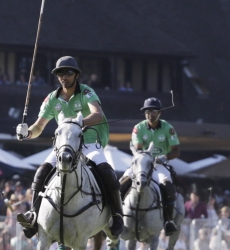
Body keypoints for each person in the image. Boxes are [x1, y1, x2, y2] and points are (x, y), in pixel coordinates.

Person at [15, 56, 124, 238]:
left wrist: (78, 122)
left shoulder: (87, 92)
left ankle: (117, 215)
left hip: (89, 142)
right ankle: (33, 215)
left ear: (77, 75)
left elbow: (98, 115)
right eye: (60, 74)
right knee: (41, 172)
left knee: (107, 172)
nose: (63, 77)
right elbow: (39, 127)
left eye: (68, 73)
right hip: (64, 146)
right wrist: (26, 133)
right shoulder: (52, 99)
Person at [118, 97, 180, 236]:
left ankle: (168, 221)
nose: (149, 114)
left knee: (168, 187)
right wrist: (147, 158)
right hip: (141, 164)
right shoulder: (138, 128)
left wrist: (166, 157)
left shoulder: (168, 128)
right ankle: (115, 217)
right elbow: (138, 150)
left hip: (160, 165)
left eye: (152, 111)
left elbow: (176, 150)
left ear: (159, 113)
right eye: (146, 111)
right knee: (121, 185)